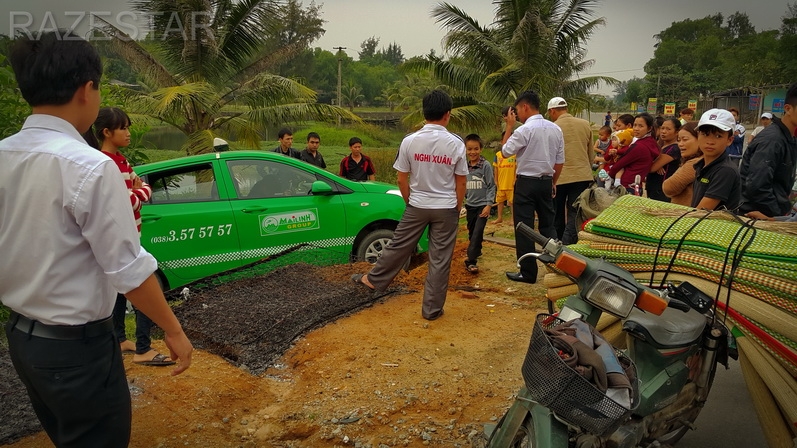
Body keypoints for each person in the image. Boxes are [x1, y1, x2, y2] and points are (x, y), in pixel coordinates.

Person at [0, 30, 192, 447]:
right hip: (77, 349)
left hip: (22, 340)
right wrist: (172, 329)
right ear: (87, 90)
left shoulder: (4, 154)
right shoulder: (89, 166)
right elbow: (127, 267)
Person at [350, 90, 467, 321]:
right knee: (440, 258)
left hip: (417, 203)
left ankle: (373, 280)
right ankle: (431, 310)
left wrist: (410, 202)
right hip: (446, 207)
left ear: (424, 113)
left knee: (399, 245)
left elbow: (401, 178)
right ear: (447, 115)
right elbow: (461, 180)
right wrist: (455, 207)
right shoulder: (455, 143)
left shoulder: (409, 141)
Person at [83, 107, 176, 367]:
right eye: (123, 128)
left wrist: (139, 191)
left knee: (120, 294)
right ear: (107, 132)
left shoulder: (121, 160)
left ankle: (121, 339)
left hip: (131, 236)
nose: (128, 132)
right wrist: (141, 192)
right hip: (124, 241)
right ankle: (144, 348)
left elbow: (138, 187)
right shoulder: (107, 164)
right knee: (148, 288)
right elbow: (131, 201)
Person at [501, 90, 564, 284]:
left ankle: (528, 273)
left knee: (524, 226)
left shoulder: (524, 130)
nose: (517, 114)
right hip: (546, 181)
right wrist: (553, 182)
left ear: (525, 107)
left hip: (526, 183)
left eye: (518, 110)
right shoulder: (555, 129)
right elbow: (560, 161)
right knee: (548, 225)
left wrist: (509, 126)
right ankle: (559, 267)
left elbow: (505, 152)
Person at [739, 83, 797, 219]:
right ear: (788, 109)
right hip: (758, 216)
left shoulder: (788, 138)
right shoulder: (772, 140)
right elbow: (757, 185)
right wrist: (776, 215)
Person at [547, 96, 594, 244]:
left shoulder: (552, 127)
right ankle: (570, 245)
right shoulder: (585, 124)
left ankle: (558, 243)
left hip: (558, 177)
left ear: (553, 111)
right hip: (582, 176)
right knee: (575, 212)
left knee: (556, 212)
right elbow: (590, 155)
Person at [691, 109, 741, 210]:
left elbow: (701, 211)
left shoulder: (725, 171)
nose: (710, 141)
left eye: (718, 136)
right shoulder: (701, 165)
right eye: (705, 134)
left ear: (729, 140)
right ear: (698, 136)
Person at [463, 134, 495, 273]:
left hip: (482, 206)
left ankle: (471, 261)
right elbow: (462, 184)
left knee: (477, 232)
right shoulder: (464, 166)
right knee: (472, 232)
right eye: (469, 149)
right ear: (465, 150)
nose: (472, 152)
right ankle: (477, 251)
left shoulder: (485, 166)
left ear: (481, 149)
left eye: (476, 149)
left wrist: (488, 204)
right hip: (470, 205)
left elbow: (491, 186)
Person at [608, 114, 659, 195]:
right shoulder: (652, 143)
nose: (636, 129)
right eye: (635, 125)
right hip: (636, 185)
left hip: (626, 185)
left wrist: (610, 175)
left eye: (640, 126)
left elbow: (619, 164)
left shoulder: (639, 146)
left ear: (649, 128)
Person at [663, 121, 702, 206]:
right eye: (679, 140)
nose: (680, 144)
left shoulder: (695, 163)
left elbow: (668, 187)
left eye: (685, 139)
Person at [646, 118, 682, 202]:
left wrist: (656, 163)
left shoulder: (674, 149)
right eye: (662, 128)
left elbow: (651, 168)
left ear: (677, 132)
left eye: (668, 129)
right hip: (653, 187)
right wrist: (657, 163)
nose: (663, 131)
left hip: (661, 189)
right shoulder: (660, 146)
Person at [493, 107, 518, 224]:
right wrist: (496, 180)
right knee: (500, 200)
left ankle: (513, 219)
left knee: (512, 202)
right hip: (501, 182)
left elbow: (517, 167)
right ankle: (499, 217)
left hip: (510, 182)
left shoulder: (514, 155)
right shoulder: (498, 155)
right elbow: (496, 168)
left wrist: (515, 178)